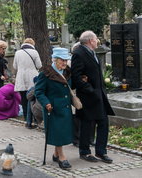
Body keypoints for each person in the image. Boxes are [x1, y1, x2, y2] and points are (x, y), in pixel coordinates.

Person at [71, 30, 115, 164]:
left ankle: (101, 152)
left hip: (99, 95)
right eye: (96, 39)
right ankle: (85, 151)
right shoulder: (79, 54)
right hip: (88, 96)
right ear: (90, 40)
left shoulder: (92, 52)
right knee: (87, 124)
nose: (97, 41)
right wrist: (90, 90)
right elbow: (77, 77)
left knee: (103, 122)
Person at [35, 47, 73, 169]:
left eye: (66, 60)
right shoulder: (46, 73)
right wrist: (46, 103)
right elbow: (39, 92)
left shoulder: (67, 72)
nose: (65, 63)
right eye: (62, 60)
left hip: (65, 107)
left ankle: (56, 154)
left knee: (63, 131)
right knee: (58, 133)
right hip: (53, 108)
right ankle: (62, 156)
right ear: (55, 60)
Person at [13, 38, 42, 126]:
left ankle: (26, 118)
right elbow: (39, 65)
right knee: (32, 97)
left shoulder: (18, 53)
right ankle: (34, 118)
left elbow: (15, 66)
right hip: (32, 76)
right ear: (32, 44)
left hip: (21, 77)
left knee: (23, 98)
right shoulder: (35, 52)